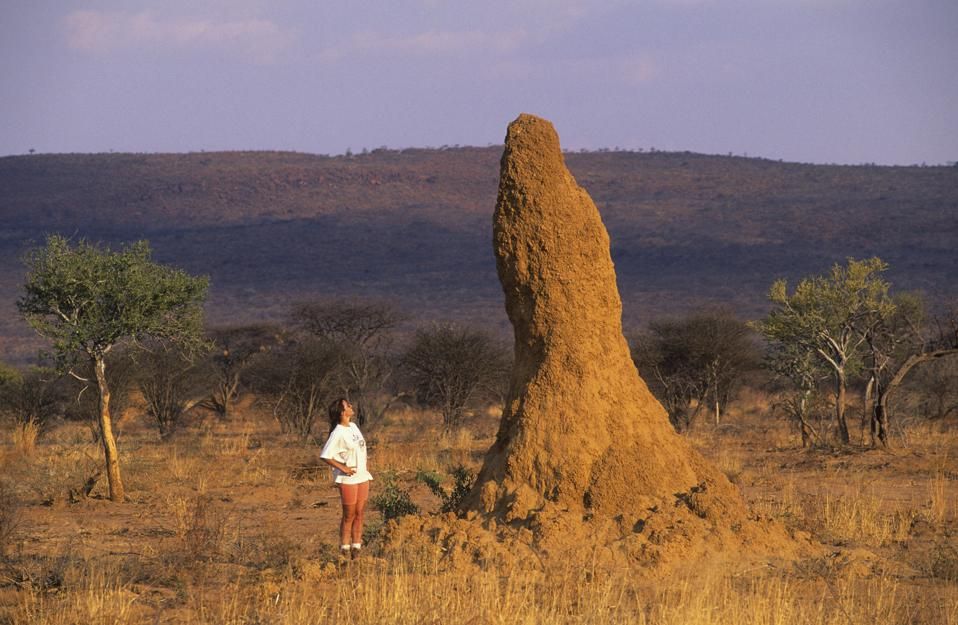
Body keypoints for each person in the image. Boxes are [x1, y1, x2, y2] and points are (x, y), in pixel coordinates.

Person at [320, 398, 373, 560]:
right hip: (348, 478)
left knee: (360, 513)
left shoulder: (354, 427)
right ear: (342, 412)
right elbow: (325, 455)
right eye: (347, 405)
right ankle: (344, 549)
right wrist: (343, 468)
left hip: (362, 475)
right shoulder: (338, 432)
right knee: (349, 515)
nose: (351, 406)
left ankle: (356, 549)